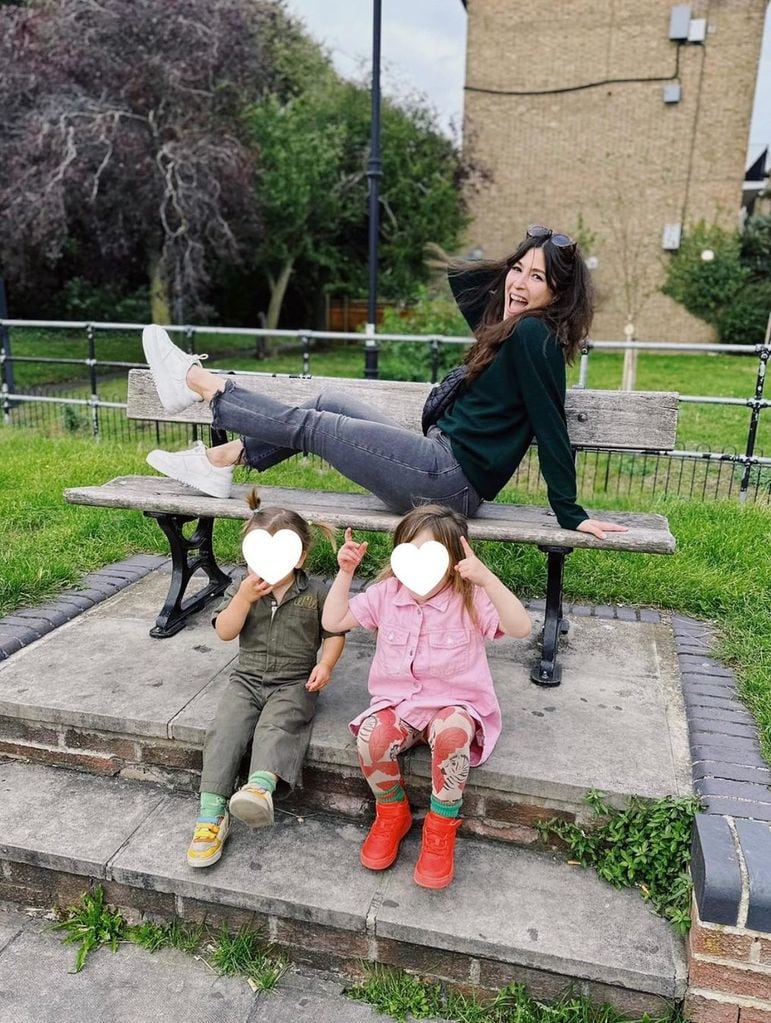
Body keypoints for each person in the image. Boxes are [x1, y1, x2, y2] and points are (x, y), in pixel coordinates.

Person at [143, 225, 626, 539]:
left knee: (318, 426)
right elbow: (474, 292)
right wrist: (513, 280)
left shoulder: (532, 336)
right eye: (516, 269)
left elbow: (551, 425)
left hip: (447, 482)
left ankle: (199, 383)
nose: (518, 283)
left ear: (557, 293)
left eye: (536, 278)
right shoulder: (509, 326)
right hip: (438, 463)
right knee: (329, 398)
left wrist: (571, 512)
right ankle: (220, 460)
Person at [321, 504, 531, 890]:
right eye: (410, 552)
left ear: (453, 561)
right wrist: (345, 573)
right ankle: (392, 812)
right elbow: (333, 622)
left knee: (452, 737)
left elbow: (520, 627)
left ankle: (440, 827)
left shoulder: (468, 597)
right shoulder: (387, 595)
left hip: (454, 705)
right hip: (399, 705)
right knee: (371, 737)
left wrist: (488, 580)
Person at [187, 490, 345, 869]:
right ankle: (211, 814)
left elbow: (335, 633)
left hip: (294, 682)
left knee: (279, 725)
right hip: (246, 679)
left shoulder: (315, 593)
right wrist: (242, 598)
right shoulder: (242, 589)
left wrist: (326, 666)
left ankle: (259, 788)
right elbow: (225, 631)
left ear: (300, 557)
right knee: (225, 731)